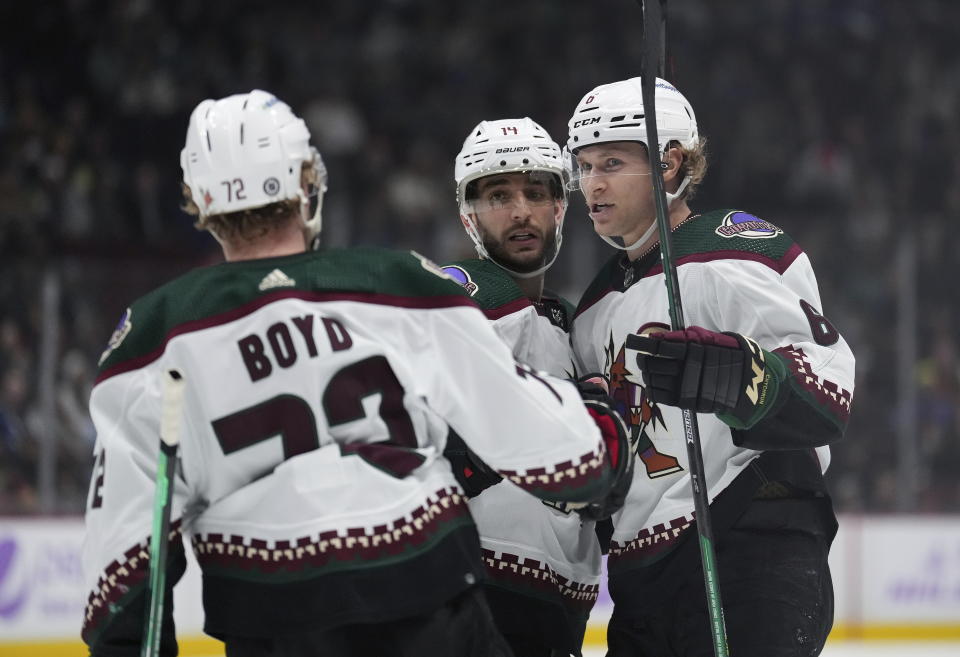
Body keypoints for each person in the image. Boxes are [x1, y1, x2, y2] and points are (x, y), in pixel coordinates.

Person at [80, 89, 633, 657]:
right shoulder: (392, 283)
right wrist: (604, 433)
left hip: (272, 628)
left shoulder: (151, 337)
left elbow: (121, 575)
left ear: (196, 199)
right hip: (429, 614)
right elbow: (569, 455)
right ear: (308, 182)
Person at [564, 76, 856, 657]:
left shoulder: (730, 249)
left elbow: (830, 386)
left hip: (748, 548)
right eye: (585, 165)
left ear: (670, 162)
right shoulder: (591, 311)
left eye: (613, 162)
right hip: (641, 582)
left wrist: (747, 379)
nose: (592, 183)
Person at [442, 117, 605, 657]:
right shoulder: (458, 299)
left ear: (560, 207)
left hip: (558, 604)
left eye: (536, 193)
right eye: (498, 196)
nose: (520, 212)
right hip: (477, 594)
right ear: (469, 215)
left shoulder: (570, 324)